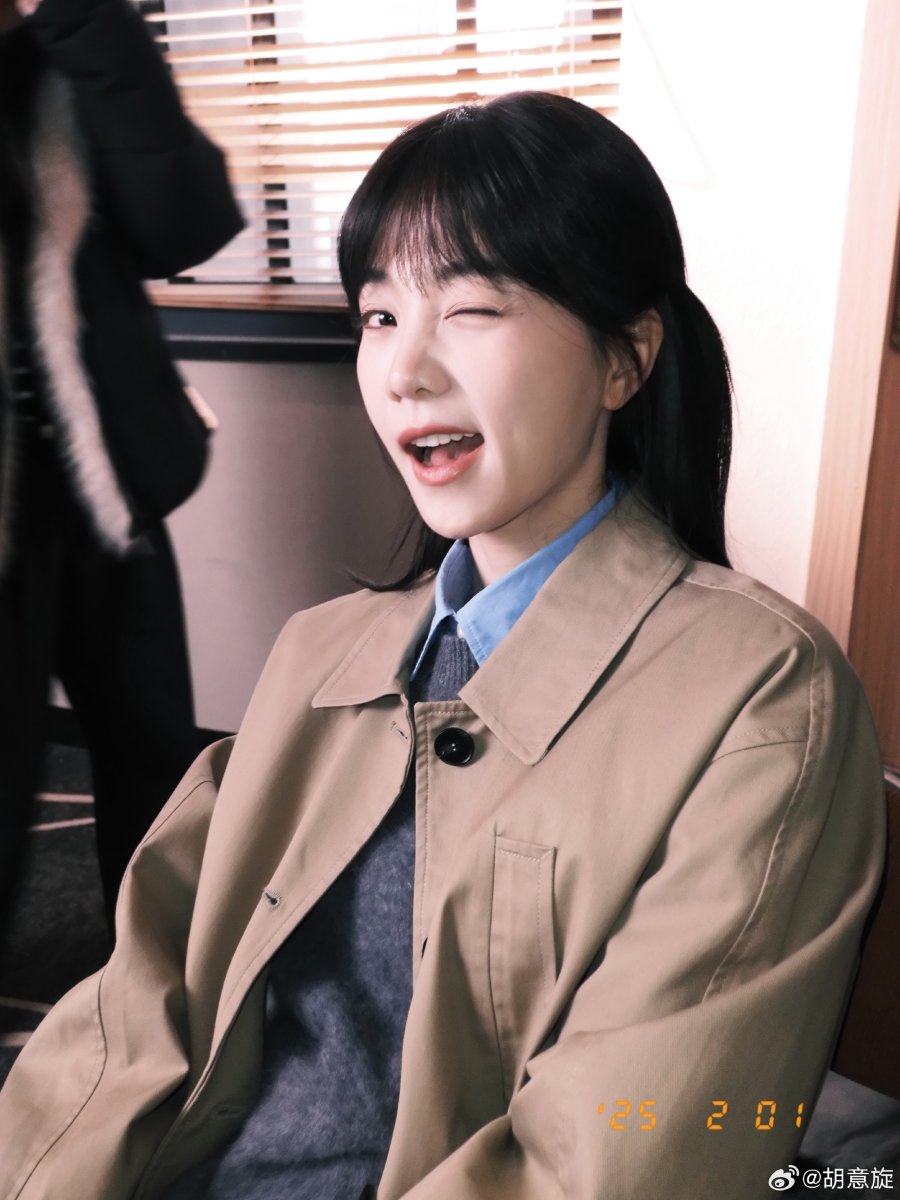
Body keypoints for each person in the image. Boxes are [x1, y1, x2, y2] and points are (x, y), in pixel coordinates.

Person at [0, 91, 885, 1200]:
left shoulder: (762, 700)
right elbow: (136, 1010)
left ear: (626, 359)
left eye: (470, 307)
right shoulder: (319, 651)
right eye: (378, 315)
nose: (404, 370)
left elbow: (624, 1151)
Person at [0, 0, 243, 940]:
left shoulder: (74, 42)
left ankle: (165, 985)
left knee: (157, 769)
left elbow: (187, 223)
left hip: (107, 486)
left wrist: (81, 21)